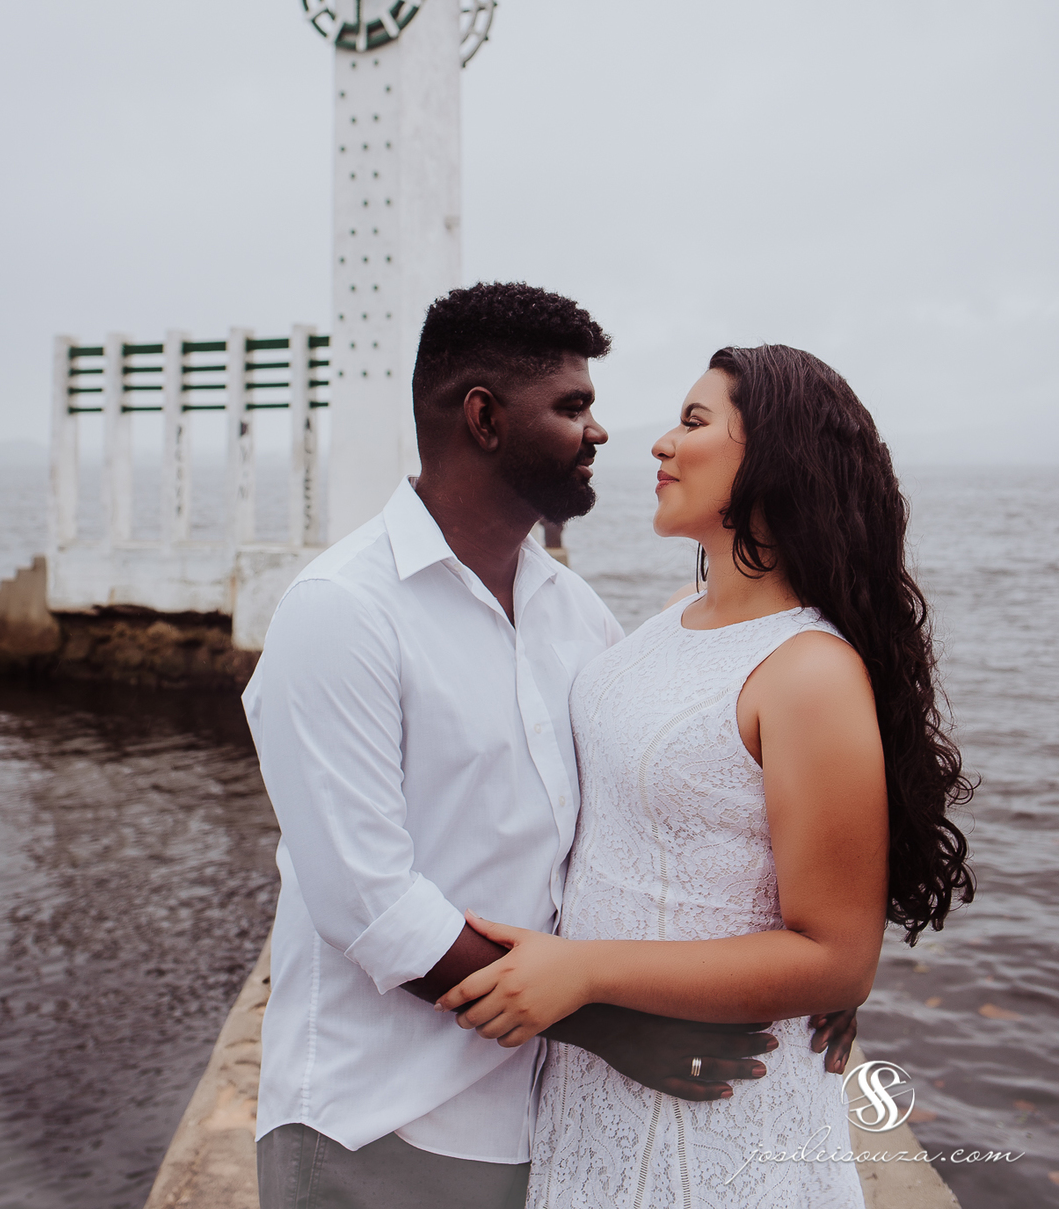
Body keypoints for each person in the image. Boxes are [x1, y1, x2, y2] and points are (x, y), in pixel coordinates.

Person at [244, 294, 856, 1209]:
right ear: (484, 418)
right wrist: (604, 1025)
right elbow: (366, 901)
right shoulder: (342, 610)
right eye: (571, 406)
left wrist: (807, 961)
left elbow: (638, 813)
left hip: (541, 1123)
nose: (603, 430)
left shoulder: (578, 618)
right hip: (380, 1119)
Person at [437, 345, 976, 1207]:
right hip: (592, 1095)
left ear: (777, 459)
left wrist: (584, 973)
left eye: (693, 422)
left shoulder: (809, 670)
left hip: (718, 1115)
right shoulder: (662, 624)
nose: (657, 444)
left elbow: (837, 960)